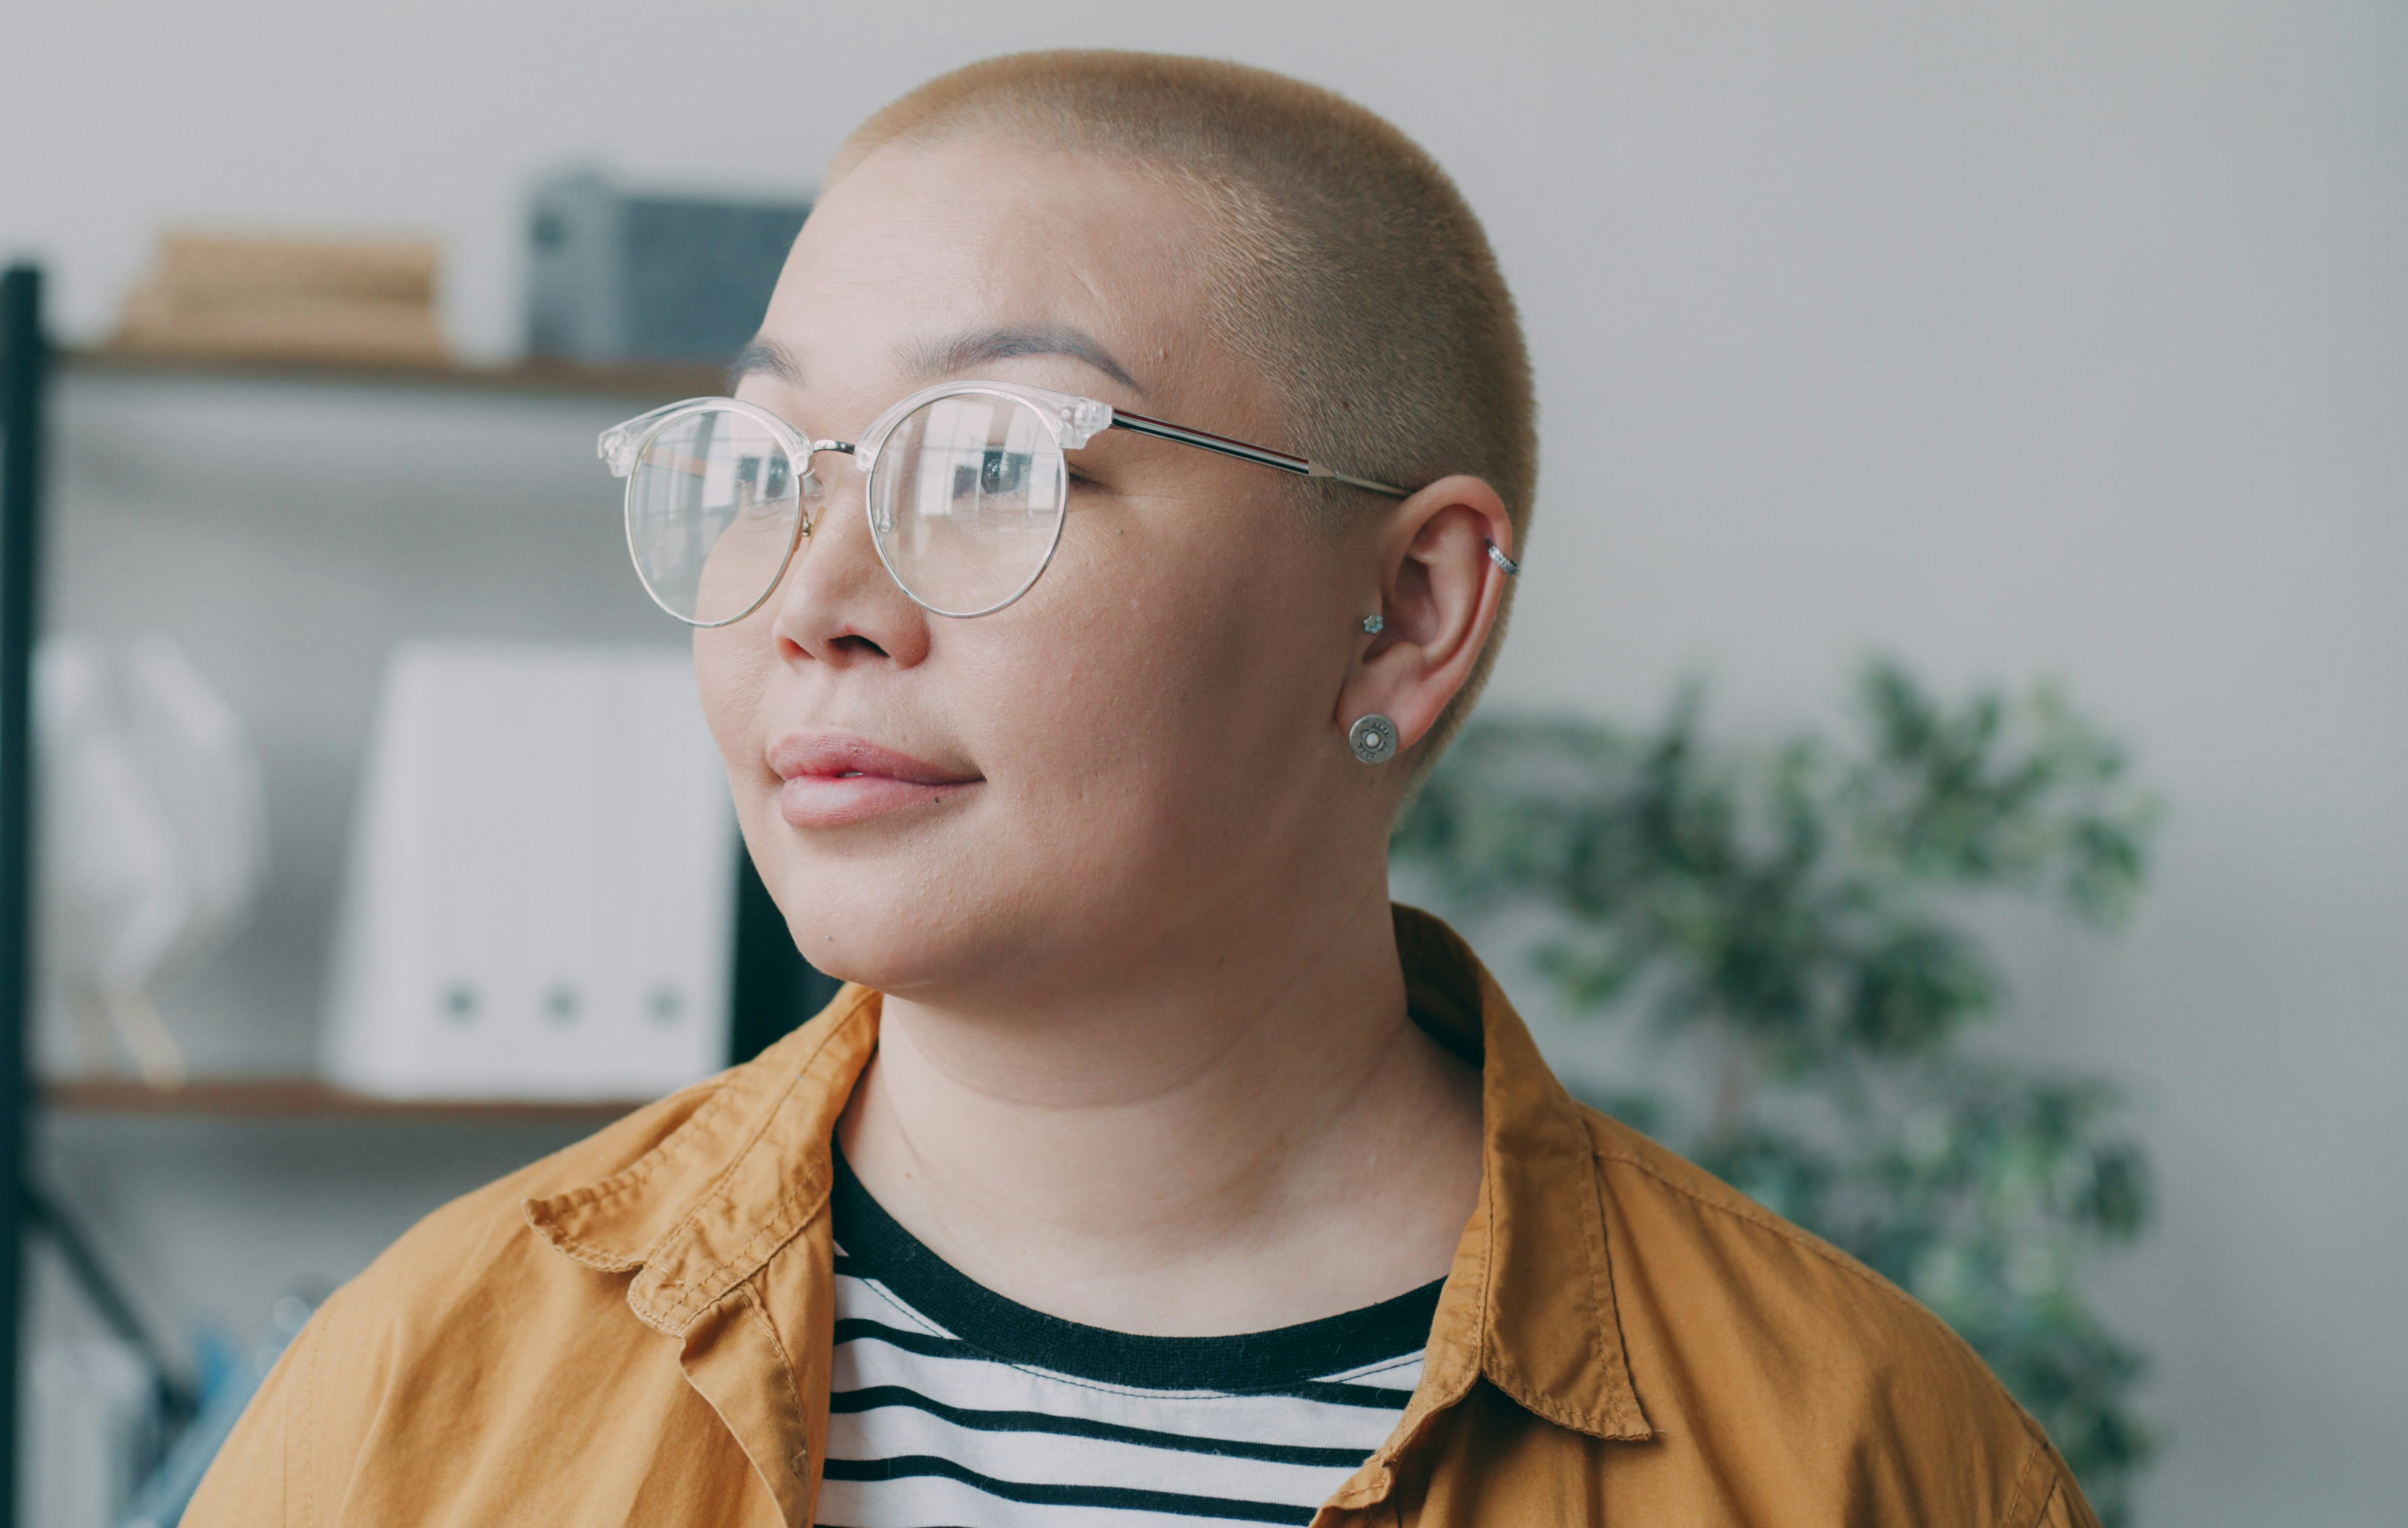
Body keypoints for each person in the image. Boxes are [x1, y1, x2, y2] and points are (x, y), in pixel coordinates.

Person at [187, 50, 2097, 1528]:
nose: (816, 604)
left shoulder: (1857, 1457)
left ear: (1403, 612)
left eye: (995, 466)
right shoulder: (428, 1387)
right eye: (770, 468)